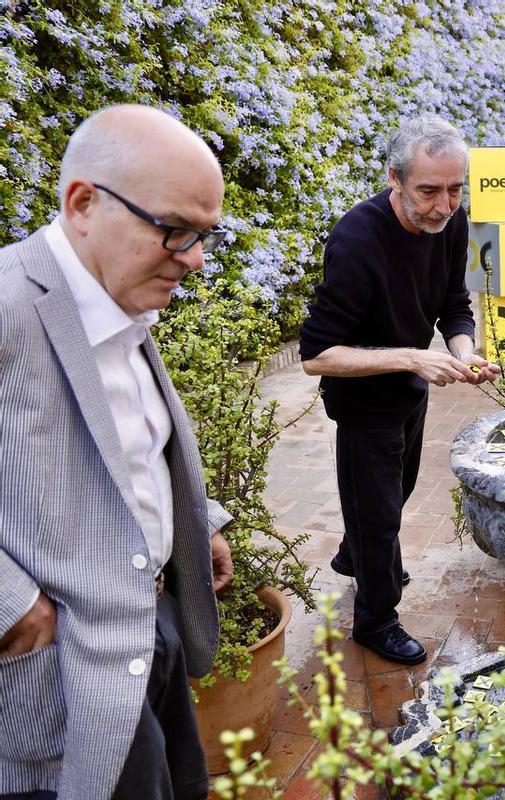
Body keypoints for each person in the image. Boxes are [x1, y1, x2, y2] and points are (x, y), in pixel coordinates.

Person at [0, 105, 235, 799]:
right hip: (65, 661)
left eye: (203, 236)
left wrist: (199, 521)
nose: (193, 259)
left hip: (148, 626)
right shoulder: (9, 302)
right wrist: (11, 603)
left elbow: (124, 435)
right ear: (82, 203)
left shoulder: (116, 293)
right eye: (174, 231)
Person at [299, 116, 498, 666]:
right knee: (382, 512)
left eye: (456, 189)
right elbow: (317, 355)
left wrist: (463, 354)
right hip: (363, 399)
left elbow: (454, 305)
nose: (443, 205)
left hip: (413, 385)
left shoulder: (450, 224)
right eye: (428, 191)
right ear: (395, 179)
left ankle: (354, 551)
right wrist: (411, 357)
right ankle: (375, 618)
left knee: (396, 489)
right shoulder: (357, 238)